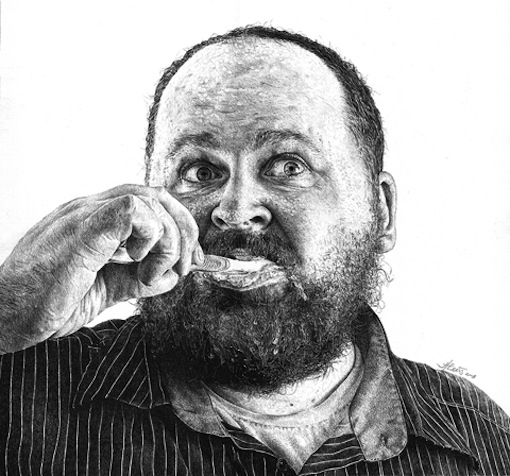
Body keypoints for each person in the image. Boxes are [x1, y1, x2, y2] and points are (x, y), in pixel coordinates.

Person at [0, 25, 508, 476]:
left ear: (381, 212)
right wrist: (6, 316)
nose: (236, 210)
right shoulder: (23, 394)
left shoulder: (483, 443)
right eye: (200, 171)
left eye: (288, 165)